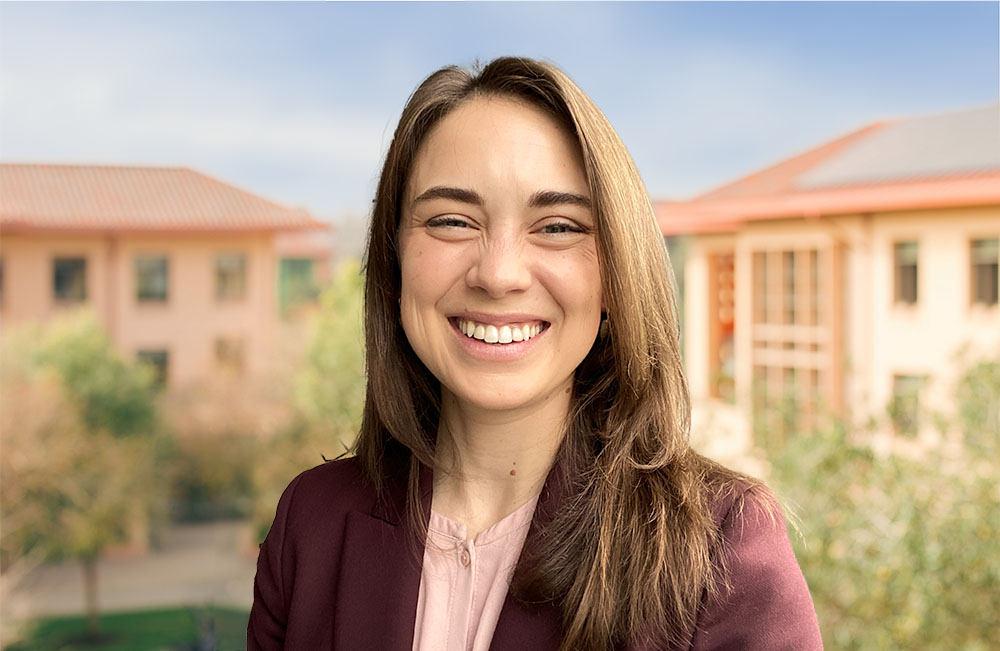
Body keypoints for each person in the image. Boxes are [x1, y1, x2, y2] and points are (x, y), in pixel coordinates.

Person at [248, 56, 823, 651]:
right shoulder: (310, 525)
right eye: (451, 220)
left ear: (615, 274)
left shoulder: (719, 553)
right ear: (394, 259)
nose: (499, 275)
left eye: (557, 226)